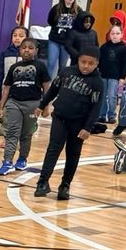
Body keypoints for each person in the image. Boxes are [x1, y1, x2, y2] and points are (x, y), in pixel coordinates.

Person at [33, 46, 102, 200]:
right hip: (60, 118)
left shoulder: (97, 83)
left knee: (73, 154)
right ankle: (43, 182)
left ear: (97, 64)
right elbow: (52, 90)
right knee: (53, 149)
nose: (86, 66)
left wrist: (88, 128)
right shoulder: (66, 72)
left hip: (79, 124)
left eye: (90, 63)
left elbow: (96, 107)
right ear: (78, 60)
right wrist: (41, 105)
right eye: (83, 62)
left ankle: (65, 185)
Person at [0, 37, 51, 175]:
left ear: (36, 51)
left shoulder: (40, 66)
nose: (26, 50)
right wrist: (1, 108)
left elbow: (46, 87)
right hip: (14, 103)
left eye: (30, 48)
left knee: (26, 134)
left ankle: (22, 159)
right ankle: (7, 161)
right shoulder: (14, 67)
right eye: (23, 47)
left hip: (32, 104)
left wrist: (46, 106)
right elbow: (7, 88)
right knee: (12, 132)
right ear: (19, 50)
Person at [46, 0, 80, 77]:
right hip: (55, 40)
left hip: (68, 42)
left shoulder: (78, 10)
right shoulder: (56, 8)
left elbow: (79, 25)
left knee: (63, 66)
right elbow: (50, 21)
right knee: (51, 63)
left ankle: (58, 85)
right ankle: (47, 85)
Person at [99, 25, 126, 124]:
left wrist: (122, 77)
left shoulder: (124, 49)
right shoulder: (104, 47)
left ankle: (111, 115)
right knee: (102, 96)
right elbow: (99, 61)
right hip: (103, 76)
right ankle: (102, 115)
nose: (115, 36)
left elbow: (125, 64)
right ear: (109, 35)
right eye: (112, 33)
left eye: (117, 33)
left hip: (115, 77)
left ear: (121, 35)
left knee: (112, 96)